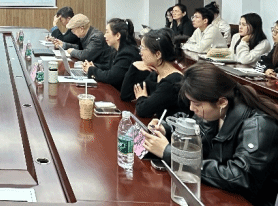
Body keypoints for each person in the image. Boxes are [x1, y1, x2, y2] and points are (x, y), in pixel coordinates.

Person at [143, 62, 278, 206]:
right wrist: (166, 128)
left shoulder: (259, 126)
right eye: (190, 102)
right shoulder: (214, 112)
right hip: (215, 194)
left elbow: (239, 177)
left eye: (196, 103)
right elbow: (192, 126)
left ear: (221, 102)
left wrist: (173, 154)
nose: (191, 108)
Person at [120, 28, 186, 118]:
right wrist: (134, 66)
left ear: (158, 54)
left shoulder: (172, 82)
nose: (140, 52)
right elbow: (126, 95)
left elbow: (143, 110)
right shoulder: (155, 74)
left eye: (143, 48)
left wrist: (141, 97)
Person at [83, 18, 139, 91]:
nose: (104, 35)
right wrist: (94, 65)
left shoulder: (127, 54)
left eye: (107, 32)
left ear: (117, 35)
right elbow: (111, 68)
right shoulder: (117, 50)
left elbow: (111, 77)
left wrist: (91, 69)